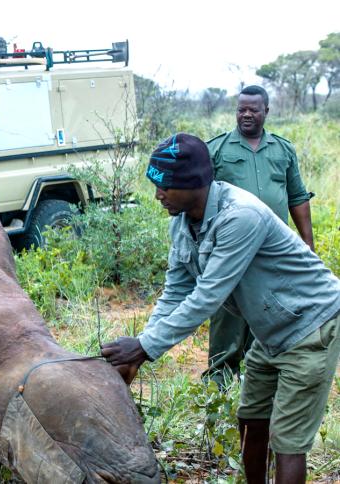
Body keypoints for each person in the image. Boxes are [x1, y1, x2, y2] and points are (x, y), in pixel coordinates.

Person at [101, 133, 340, 484]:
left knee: (288, 441)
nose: (157, 195)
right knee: (251, 421)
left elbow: (207, 297)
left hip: (310, 326)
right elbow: (176, 292)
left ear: (194, 183)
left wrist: (144, 348)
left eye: (165, 186)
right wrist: (141, 344)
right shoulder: (182, 224)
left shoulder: (241, 216)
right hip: (271, 332)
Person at [205, 85, 314, 384]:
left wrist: (307, 245)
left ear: (266, 110)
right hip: (231, 248)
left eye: (254, 109)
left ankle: (259, 378)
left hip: (273, 251)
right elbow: (201, 200)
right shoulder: (217, 149)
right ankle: (219, 382)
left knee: (270, 311)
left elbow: (297, 197)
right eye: (242, 109)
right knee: (227, 315)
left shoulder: (283, 149)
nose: (247, 114)